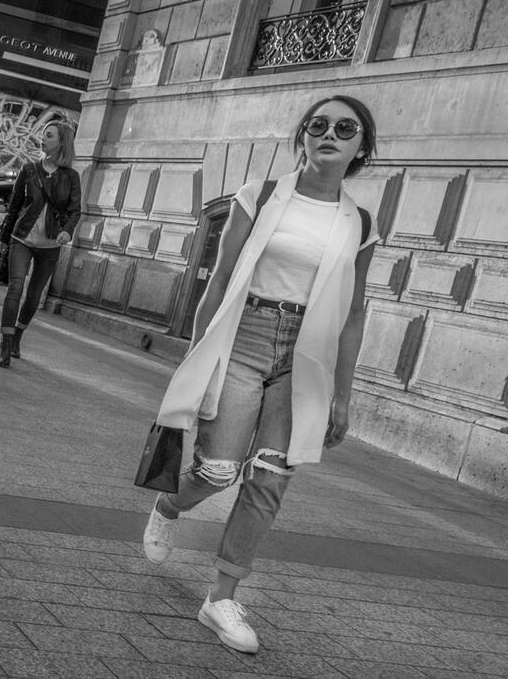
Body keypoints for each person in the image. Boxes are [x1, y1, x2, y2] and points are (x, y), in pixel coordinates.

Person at [142, 96, 379, 655]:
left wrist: (343, 395)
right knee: (220, 469)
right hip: (244, 337)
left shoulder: (361, 223)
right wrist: (199, 357)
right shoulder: (260, 195)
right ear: (302, 136)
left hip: (308, 357)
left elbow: (354, 312)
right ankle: (169, 506)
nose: (329, 134)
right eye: (317, 125)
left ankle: (220, 598)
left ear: (360, 148)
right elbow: (220, 278)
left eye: (344, 129)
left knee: (271, 479)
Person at [0, 121, 81, 367]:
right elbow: (14, 206)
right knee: (15, 288)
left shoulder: (71, 177)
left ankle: (17, 337)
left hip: (50, 244)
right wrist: (4, 237)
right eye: (43, 135)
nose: (42, 139)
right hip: (21, 238)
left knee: (33, 296)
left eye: (49, 136)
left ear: (61, 142)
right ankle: (5, 342)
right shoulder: (29, 169)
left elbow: (75, 211)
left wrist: (67, 231)